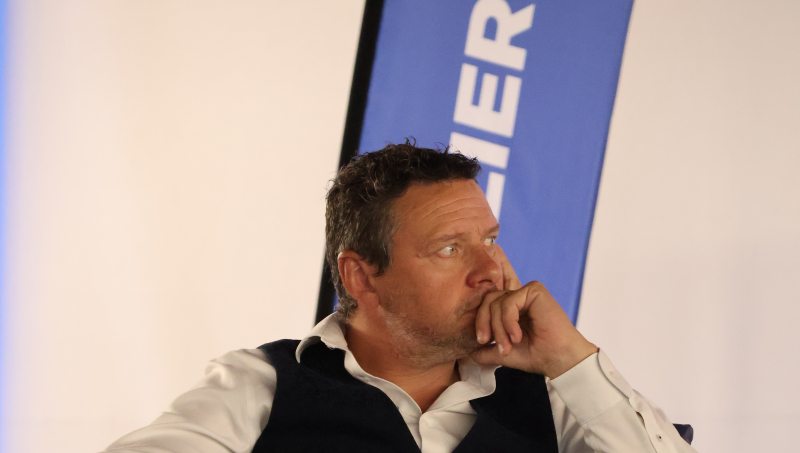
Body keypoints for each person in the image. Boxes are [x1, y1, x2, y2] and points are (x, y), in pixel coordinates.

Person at [104, 143, 697, 453]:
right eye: (450, 249)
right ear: (361, 277)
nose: (490, 270)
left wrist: (572, 361)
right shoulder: (259, 386)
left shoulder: (557, 396)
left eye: (490, 240)